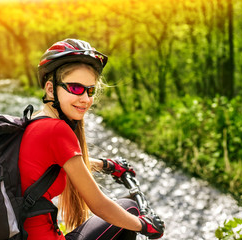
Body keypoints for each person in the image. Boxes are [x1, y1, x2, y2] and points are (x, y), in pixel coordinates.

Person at [18, 38, 164, 240]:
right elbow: (99, 205)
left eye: (90, 90)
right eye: (76, 88)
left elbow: (61, 164)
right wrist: (145, 225)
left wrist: (105, 165)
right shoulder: (57, 130)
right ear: (51, 89)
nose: (86, 99)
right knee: (130, 208)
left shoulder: (35, 121)